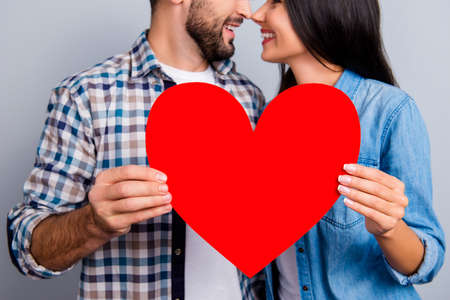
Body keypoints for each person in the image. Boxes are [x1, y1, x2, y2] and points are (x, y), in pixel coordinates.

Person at [7, 0, 266, 299]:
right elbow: (27, 252)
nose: (247, 10)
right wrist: (92, 223)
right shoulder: (86, 96)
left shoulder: (250, 98)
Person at [251, 0, 445, 299]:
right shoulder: (268, 121)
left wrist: (389, 229)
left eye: (276, 2)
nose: (257, 14)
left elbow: (427, 263)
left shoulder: (389, 111)